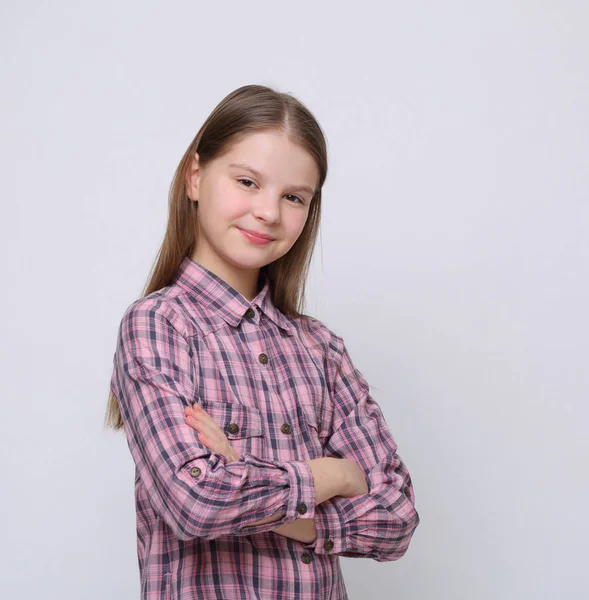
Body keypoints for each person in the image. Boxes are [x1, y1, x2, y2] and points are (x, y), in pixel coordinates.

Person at [104, 84, 420, 600]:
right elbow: (195, 503)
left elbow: (397, 518)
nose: (269, 212)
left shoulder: (322, 350)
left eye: (293, 197)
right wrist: (331, 475)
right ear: (195, 176)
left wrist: (246, 478)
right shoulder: (158, 325)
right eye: (248, 181)